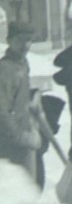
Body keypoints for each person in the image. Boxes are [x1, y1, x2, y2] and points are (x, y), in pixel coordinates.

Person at [0, 22, 40, 181]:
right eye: (21, 40)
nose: (26, 45)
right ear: (9, 40)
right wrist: (19, 136)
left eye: (29, 40)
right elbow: (1, 109)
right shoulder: (5, 69)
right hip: (11, 141)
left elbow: (19, 95)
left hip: (24, 136)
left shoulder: (23, 64)